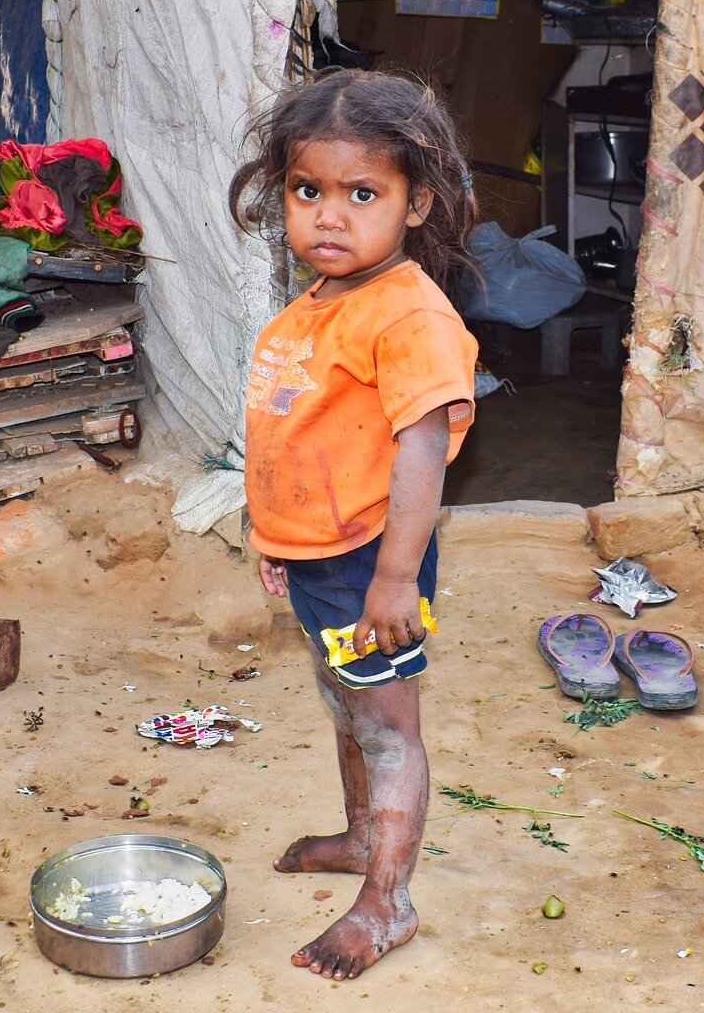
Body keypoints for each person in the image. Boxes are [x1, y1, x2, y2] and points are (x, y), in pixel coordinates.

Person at [228, 68, 480, 981]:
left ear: (417, 204)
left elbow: (421, 452)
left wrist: (394, 578)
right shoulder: (315, 308)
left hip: (372, 560)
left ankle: (387, 903)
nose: (329, 217)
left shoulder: (407, 313)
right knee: (345, 704)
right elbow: (296, 438)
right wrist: (273, 541)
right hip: (316, 561)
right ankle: (357, 835)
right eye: (308, 192)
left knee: (387, 728)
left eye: (362, 194)